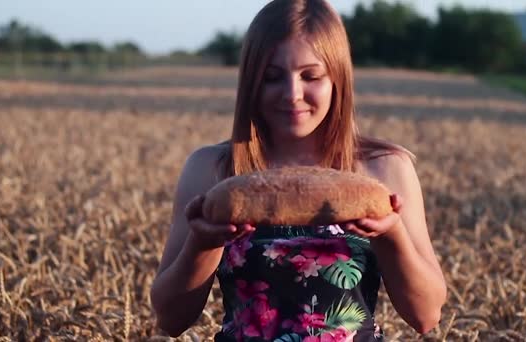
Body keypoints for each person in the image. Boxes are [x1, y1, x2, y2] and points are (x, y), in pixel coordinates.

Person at [150, 0, 447, 340]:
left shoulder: (385, 168)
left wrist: (390, 235)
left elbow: (426, 316)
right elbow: (171, 319)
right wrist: (202, 244)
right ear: (251, 82)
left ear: (338, 78)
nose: (292, 94)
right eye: (272, 77)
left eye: (311, 76)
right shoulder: (213, 170)